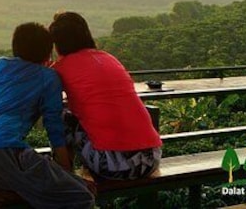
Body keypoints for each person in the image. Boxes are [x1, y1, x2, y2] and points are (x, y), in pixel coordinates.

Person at [0, 22, 95, 209]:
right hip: (9, 153)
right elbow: (54, 127)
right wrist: (66, 171)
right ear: (48, 53)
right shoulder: (48, 77)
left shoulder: (0, 64)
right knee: (82, 195)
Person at [50, 11, 162, 181]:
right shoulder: (110, 59)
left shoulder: (61, 67)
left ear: (58, 43)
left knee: (61, 117)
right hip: (151, 158)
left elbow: (45, 99)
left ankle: (64, 175)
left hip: (112, 165)